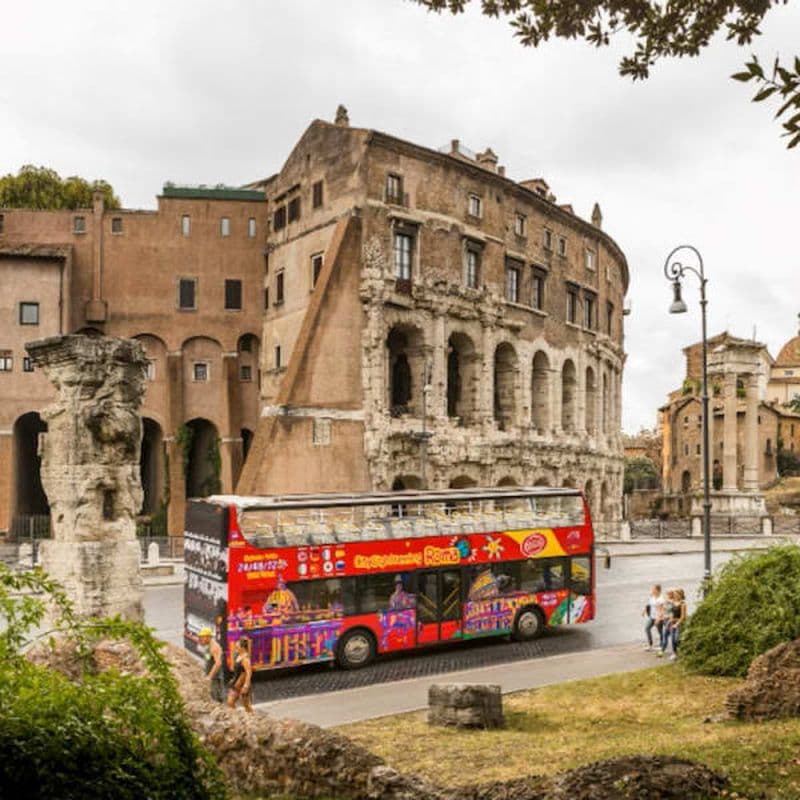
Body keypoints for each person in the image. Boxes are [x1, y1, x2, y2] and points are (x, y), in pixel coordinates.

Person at [227, 636, 253, 712]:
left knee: (246, 705)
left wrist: (246, 685)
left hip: (242, 684)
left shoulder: (245, 659)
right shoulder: (239, 655)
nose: (236, 647)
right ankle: (237, 717)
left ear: (243, 648)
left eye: (237, 646)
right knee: (230, 702)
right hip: (236, 682)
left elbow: (249, 672)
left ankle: (251, 719)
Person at [198, 626, 224, 702]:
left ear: (208, 637)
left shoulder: (214, 647)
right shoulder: (208, 645)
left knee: (216, 699)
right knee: (211, 696)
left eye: (202, 637)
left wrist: (210, 676)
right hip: (211, 677)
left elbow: (218, 663)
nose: (201, 639)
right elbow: (208, 659)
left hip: (215, 678)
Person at [642, 584, 664, 651]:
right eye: (652, 589)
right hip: (652, 617)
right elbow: (648, 604)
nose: (652, 590)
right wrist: (644, 611)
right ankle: (650, 645)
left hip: (658, 617)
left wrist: (658, 618)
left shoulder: (661, 599)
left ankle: (661, 645)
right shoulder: (652, 596)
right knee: (647, 628)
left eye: (653, 589)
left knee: (660, 631)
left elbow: (661, 610)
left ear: (658, 590)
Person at [668, 588, 688, 660]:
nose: (675, 596)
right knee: (672, 639)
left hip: (679, 623)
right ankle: (675, 653)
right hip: (672, 622)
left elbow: (683, 617)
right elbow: (672, 613)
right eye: (675, 594)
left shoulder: (683, 604)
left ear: (681, 595)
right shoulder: (673, 602)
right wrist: (670, 619)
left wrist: (677, 624)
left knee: (677, 639)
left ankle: (683, 650)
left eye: (677, 594)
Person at [657, 589, 676, 657]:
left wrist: (668, 617)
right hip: (665, 621)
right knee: (666, 636)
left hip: (671, 621)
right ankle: (662, 650)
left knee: (672, 638)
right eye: (667, 594)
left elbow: (674, 613)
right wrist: (660, 617)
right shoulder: (666, 601)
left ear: (672, 594)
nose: (667, 595)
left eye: (669, 594)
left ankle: (673, 652)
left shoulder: (674, 602)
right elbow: (662, 609)